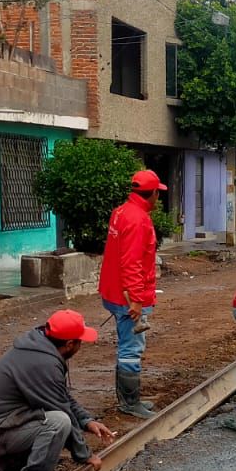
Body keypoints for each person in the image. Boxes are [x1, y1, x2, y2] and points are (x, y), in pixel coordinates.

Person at [0, 309, 116, 471]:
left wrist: (86, 421)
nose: (81, 346)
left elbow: (61, 396)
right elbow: (62, 409)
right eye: (80, 342)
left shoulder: (40, 348)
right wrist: (84, 455)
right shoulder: (43, 364)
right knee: (58, 423)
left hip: (4, 423)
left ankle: (7, 469)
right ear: (69, 344)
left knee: (49, 417)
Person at [100, 168, 165, 419]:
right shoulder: (138, 220)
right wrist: (136, 300)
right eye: (158, 193)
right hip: (127, 297)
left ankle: (128, 400)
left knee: (128, 346)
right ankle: (129, 402)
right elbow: (131, 263)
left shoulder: (121, 212)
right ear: (153, 194)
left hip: (115, 290)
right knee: (131, 348)